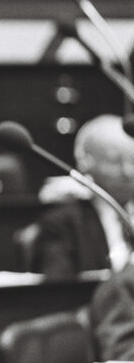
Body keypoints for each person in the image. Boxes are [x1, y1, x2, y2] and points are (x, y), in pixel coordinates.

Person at [27, 114, 134, 279]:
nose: (128, 172)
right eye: (115, 161)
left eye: (133, 161)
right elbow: (60, 292)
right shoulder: (62, 224)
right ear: (86, 164)